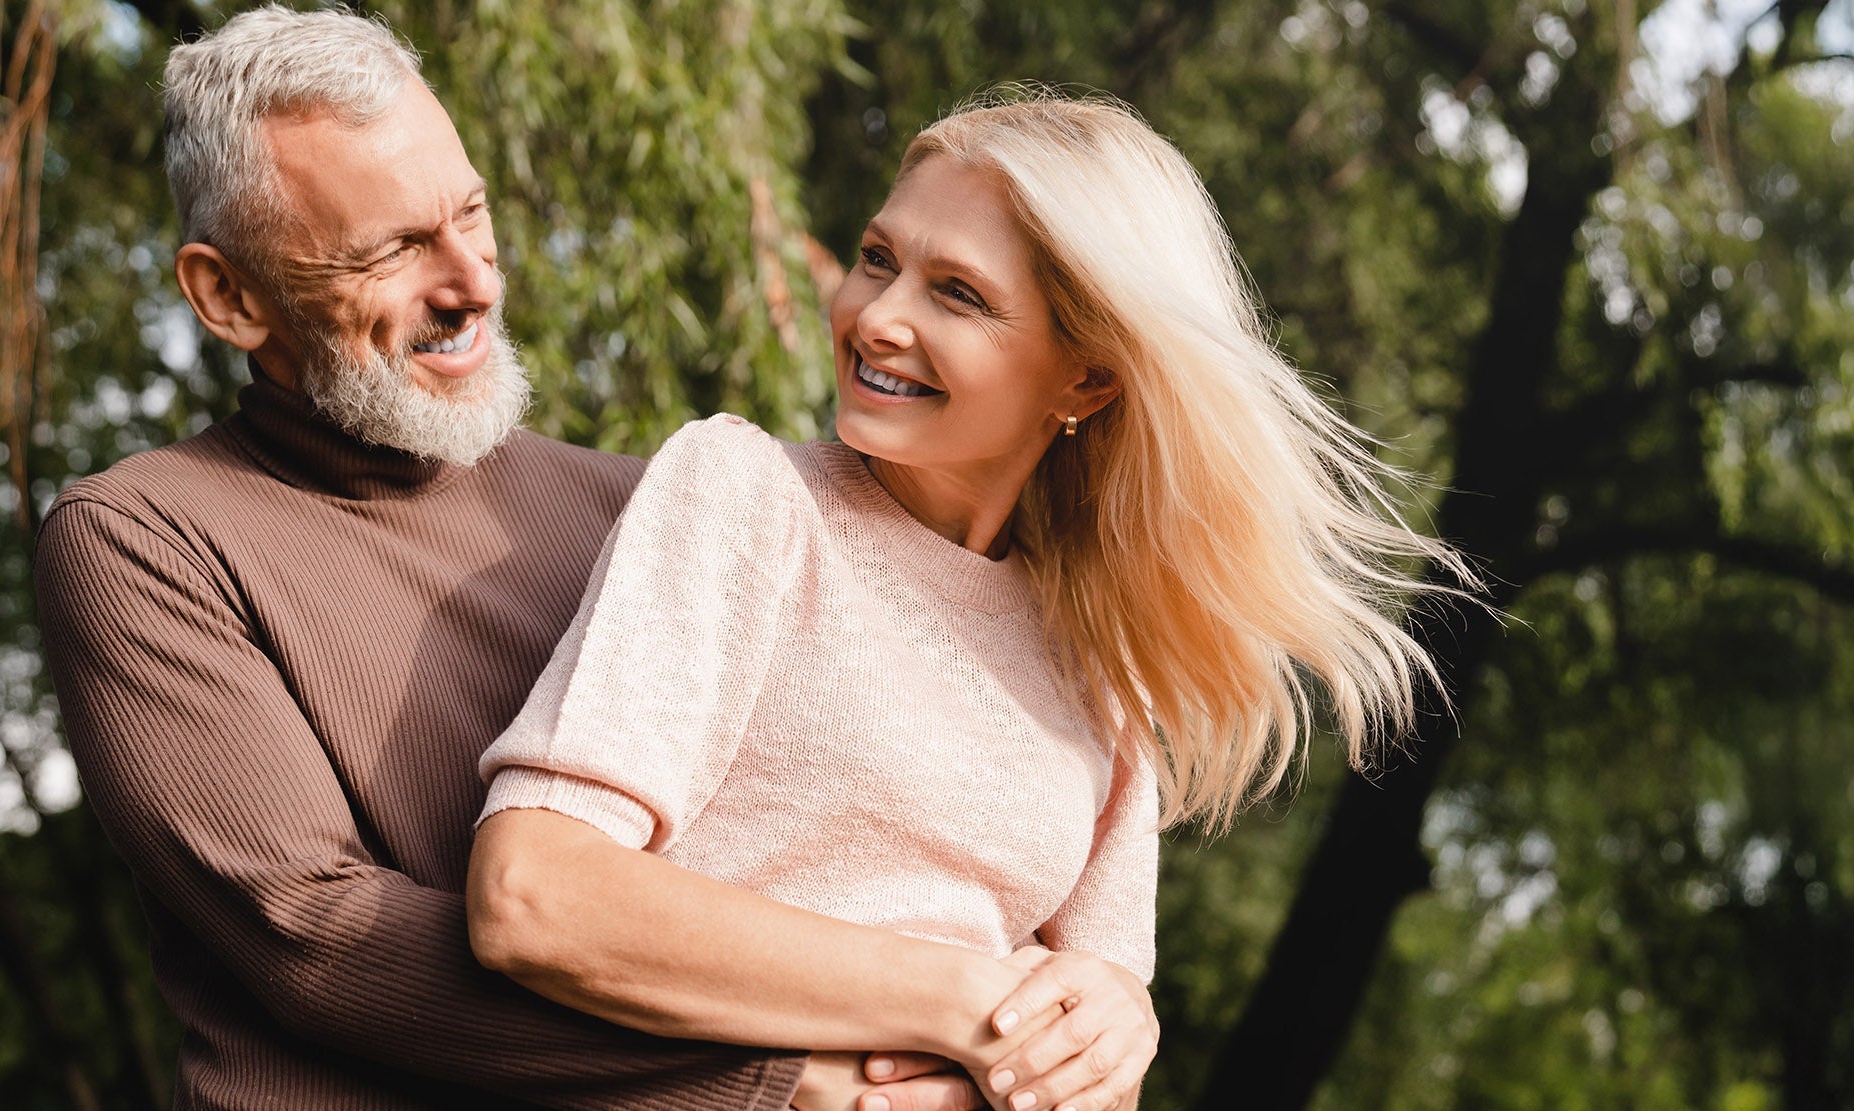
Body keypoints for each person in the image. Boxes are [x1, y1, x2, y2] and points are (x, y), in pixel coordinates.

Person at [34, 8, 993, 1108]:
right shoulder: (145, 538)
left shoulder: (649, 502)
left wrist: (1082, 993)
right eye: (393, 248)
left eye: (471, 214)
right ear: (229, 296)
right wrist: (776, 1080)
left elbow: (857, 839)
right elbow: (314, 933)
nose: (473, 282)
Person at [465, 89, 1471, 1111]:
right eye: (876, 259)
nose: (876, 318)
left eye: (957, 294)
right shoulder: (747, 497)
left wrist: (1116, 1019)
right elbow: (535, 891)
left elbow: (1086, 1073)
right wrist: (958, 1002)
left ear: (1082, 382)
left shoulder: (1096, 657)